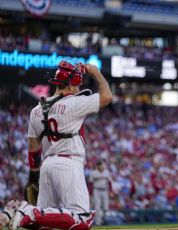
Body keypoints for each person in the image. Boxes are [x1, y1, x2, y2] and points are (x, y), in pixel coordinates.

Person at [9, 58, 113, 230]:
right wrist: (96, 73)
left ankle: (17, 213)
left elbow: (33, 147)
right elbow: (107, 97)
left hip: (46, 166)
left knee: (46, 225)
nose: (78, 88)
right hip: (68, 163)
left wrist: (34, 178)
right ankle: (29, 212)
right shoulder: (73, 103)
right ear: (71, 85)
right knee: (81, 220)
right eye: (77, 85)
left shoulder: (36, 110)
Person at [89, 160, 111, 225]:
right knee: (97, 206)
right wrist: (90, 192)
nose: (101, 166)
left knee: (106, 207)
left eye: (102, 165)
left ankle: (103, 219)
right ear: (97, 166)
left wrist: (111, 191)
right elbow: (90, 183)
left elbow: (109, 182)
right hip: (96, 190)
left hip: (105, 190)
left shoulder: (107, 172)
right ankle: (98, 222)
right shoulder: (93, 173)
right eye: (100, 165)